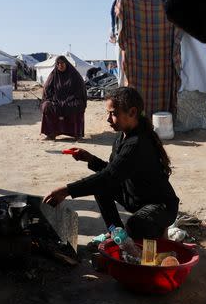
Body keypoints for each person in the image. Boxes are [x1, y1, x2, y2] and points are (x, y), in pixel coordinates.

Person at [44, 87, 178, 240]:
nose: (108, 119)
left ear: (132, 112)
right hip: (135, 200)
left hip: (161, 207)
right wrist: (90, 159)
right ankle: (116, 233)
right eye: (108, 113)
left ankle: (158, 233)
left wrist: (66, 191)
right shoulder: (122, 137)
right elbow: (114, 172)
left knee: (135, 225)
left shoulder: (137, 143)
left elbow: (109, 176)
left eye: (113, 114)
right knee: (101, 188)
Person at [40, 55, 87, 140]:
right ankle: (51, 134)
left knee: (78, 105)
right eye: (58, 63)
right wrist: (53, 99)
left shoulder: (74, 75)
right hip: (56, 101)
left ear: (66, 63)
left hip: (72, 100)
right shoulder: (54, 75)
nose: (60, 65)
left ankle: (77, 134)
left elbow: (81, 90)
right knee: (46, 106)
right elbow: (47, 89)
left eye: (62, 63)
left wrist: (70, 99)